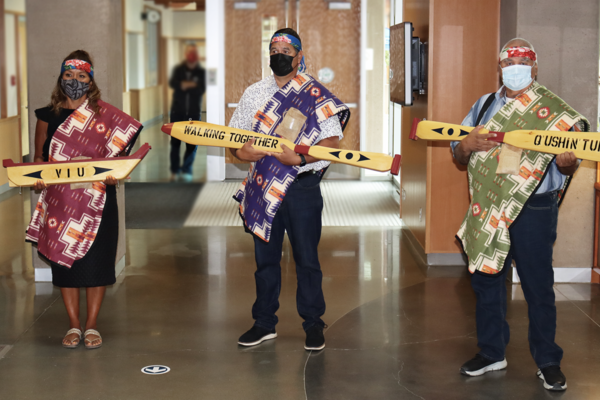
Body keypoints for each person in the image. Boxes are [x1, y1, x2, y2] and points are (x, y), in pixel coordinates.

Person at [452, 38, 589, 391]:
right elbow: (459, 154)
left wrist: (569, 164)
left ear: (535, 68)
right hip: (487, 207)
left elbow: (570, 161)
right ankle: (491, 351)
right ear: (499, 68)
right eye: (508, 63)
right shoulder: (484, 107)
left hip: (534, 208)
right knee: (487, 279)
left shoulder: (552, 111)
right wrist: (465, 145)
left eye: (523, 62)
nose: (515, 68)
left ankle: (548, 361)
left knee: (537, 286)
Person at [229, 28, 350, 350]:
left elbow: (331, 142)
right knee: (265, 260)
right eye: (274, 49)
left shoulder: (314, 93)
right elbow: (234, 140)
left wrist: (299, 157)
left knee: (307, 259)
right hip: (262, 186)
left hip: (301, 189)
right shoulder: (254, 93)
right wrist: (243, 153)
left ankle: (313, 323)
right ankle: (264, 323)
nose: (279, 54)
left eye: (286, 49)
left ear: (299, 56)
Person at [27, 50, 142, 349]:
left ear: (90, 80)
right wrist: (37, 180)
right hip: (60, 204)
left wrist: (115, 174)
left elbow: (120, 158)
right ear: (60, 78)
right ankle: (73, 325)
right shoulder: (46, 117)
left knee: (96, 263)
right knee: (66, 268)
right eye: (69, 75)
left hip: (96, 201)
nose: (74, 81)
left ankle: (91, 325)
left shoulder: (105, 117)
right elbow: (39, 160)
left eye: (81, 76)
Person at [168, 44, 206, 182]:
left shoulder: (201, 72)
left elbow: (202, 87)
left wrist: (186, 85)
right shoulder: (178, 69)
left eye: (194, 52)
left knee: (191, 143)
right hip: (177, 111)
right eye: (190, 52)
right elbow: (173, 83)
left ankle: (187, 169)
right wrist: (189, 84)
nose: (192, 55)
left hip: (194, 112)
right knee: (175, 143)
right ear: (186, 54)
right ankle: (175, 170)